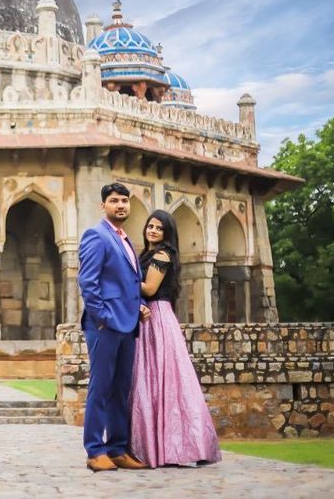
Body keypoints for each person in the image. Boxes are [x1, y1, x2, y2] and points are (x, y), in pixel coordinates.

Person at [129, 210, 222, 467]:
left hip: (157, 317)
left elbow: (149, 288)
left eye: (159, 228)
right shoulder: (147, 255)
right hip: (152, 316)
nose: (153, 230)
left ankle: (176, 447)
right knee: (157, 379)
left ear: (167, 233)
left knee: (165, 379)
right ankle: (160, 446)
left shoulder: (162, 255)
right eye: (151, 225)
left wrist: (120, 279)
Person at [78, 183, 150, 472]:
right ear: (103, 206)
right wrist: (104, 318)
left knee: (121, 388)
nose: (120, 205)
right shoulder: (97, 235)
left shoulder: (125, 239)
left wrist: (136, 306)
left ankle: (118, 448)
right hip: (105, 327)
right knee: (101, 387)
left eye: (124, 200)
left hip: (126, 324)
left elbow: (127, 284)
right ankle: (95, 450)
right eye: (113, 201)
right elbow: (88, 283)